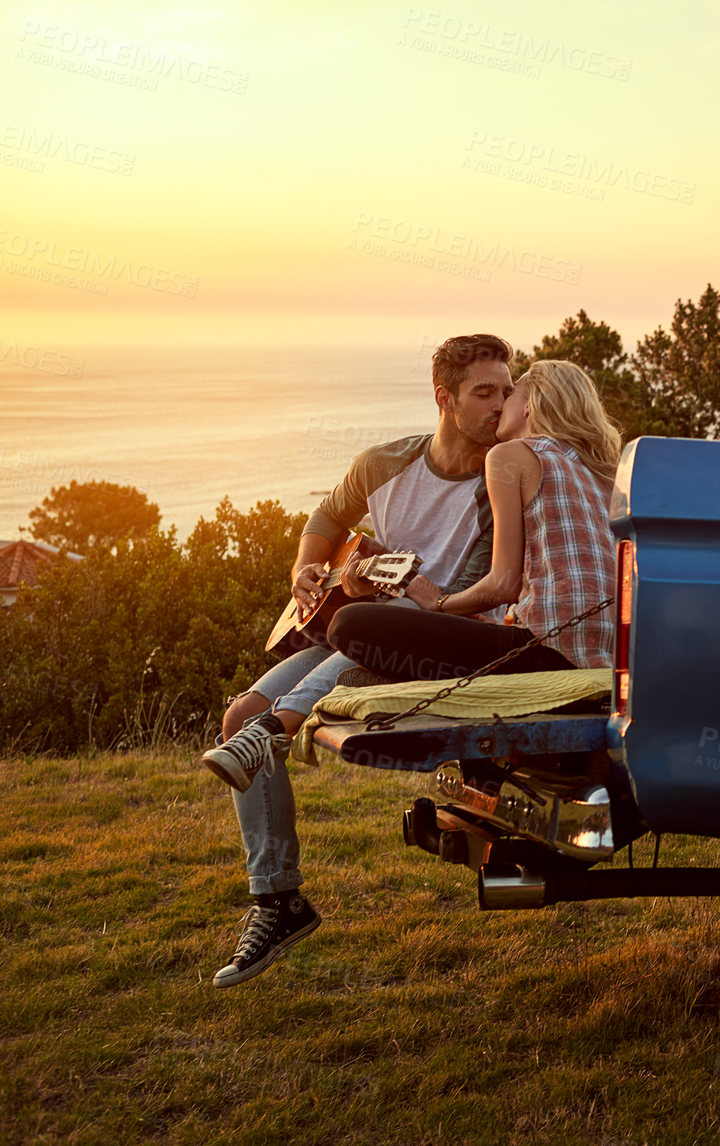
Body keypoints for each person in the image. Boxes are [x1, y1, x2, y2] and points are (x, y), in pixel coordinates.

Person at [200, 333, 512, 989]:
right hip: (352, 622)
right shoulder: (384, 463)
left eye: (507, 391)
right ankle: (278, 901)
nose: (500, 405)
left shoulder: (504, 478)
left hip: (429, 641)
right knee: (238, 715)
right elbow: (327, 513)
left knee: (288, 704)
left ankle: (274, 732)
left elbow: (475, 600)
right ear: (444, 398)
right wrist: (308, 567)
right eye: (485, 392)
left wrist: (412, 598)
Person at [329, 358, 619, 683]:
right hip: (608, 657)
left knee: (348, 624)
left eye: (511, 394)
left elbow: (503, 584)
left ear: (529, 406)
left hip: (546, 655)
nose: (500, 405)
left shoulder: (510, 456)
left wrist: (438, 602)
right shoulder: (603, 476)